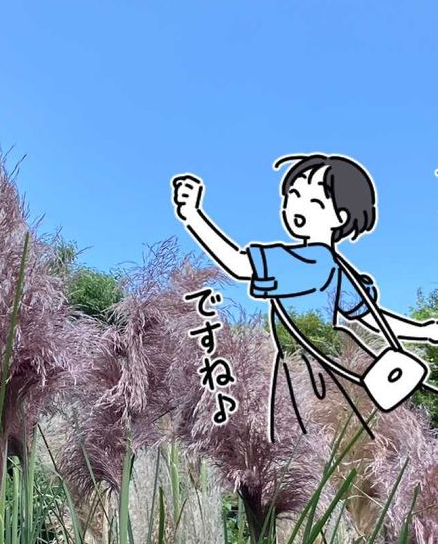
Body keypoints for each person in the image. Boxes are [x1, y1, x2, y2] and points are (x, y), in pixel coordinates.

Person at [172, 153, 438, 440]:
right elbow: (372, 318)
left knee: (303, 442)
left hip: (307, 368)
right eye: (293, 196)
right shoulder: (336, 266)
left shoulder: (308, 260)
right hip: (330, 362)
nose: (297, 206)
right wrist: (422, 331)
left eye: (314, 202)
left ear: (340, 217)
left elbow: (239, 265)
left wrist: (194, 216)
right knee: (339, 438)